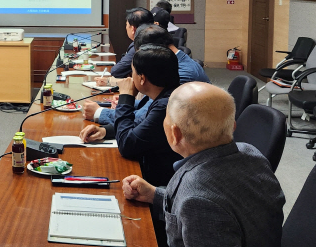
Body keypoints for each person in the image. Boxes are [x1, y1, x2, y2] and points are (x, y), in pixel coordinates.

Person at [122, 82, 285, 247]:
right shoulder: (251, 153)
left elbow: (203, 206)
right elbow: (222, 206)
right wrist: (154, 195)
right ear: (233, 125)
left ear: (174, 133)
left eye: (166, 117)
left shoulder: (197, 199)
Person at [79, 45, 183, 187]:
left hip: (157, 184)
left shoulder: (166, 106)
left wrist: (126, 97)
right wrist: (106, 131)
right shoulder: (165, 94)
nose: (129, 77)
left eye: (132, 72)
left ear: (142, 79)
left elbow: (127, 146)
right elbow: (140, 126)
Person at [86, 24, 209, 125]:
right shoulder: (180, 61)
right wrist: (130, 102)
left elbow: (143, 119)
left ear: (154, 51)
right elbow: (154, 104)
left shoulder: (181, 74)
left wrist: (99, 112)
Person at [109, 8, 153, 78]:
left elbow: (116, 71)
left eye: (126, 24)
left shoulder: (140, 45)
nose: (126, 27)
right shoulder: (153, 40)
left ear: (133, 29)